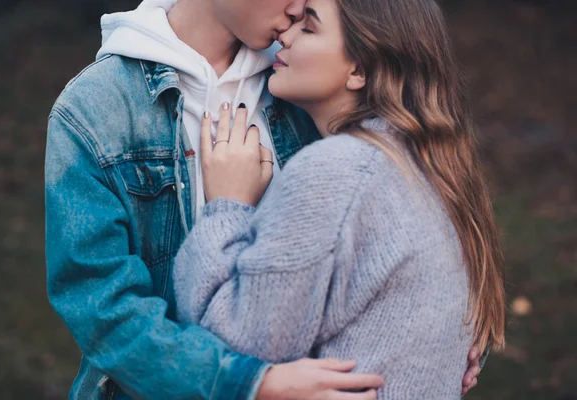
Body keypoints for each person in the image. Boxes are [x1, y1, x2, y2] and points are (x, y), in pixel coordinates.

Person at [45, 0, 483, 398]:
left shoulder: (305, 87)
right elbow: (102, 310)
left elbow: (393, 234)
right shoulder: (95, 110)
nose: (298, 9)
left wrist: (444, 329)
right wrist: (255, 385)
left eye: (310, 19)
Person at [171, 0, 507, 398]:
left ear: (359, 70)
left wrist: (226, 205)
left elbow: (236, 345)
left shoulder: (338, 171)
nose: (286, 35)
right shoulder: (427, 165)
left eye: (309, 29)